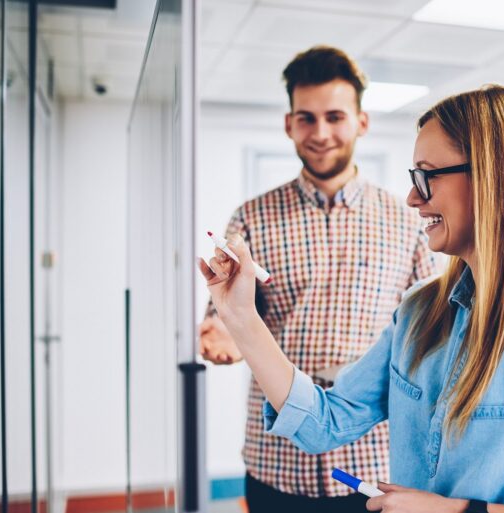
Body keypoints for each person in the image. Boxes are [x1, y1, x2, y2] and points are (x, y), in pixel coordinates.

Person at [199, 85, 504, 512]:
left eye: (426, 176)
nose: (411, 198)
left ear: (491, 178)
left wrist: (460, 511)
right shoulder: (419, 311)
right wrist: (241, 316)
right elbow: (325, 422)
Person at [199, 46, 437, 512]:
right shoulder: (252, 218)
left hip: (371, 462)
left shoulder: (407, 220)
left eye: (335, 117)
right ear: (289, 124)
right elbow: (228, 315)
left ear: (361, 122)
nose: (321, 133)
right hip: (277, 460)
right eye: (307, 118)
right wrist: (222, 334)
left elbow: (427, 336)